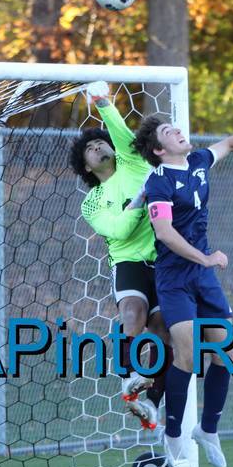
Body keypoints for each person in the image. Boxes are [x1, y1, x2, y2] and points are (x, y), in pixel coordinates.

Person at [134, 117, 233, 467]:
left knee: (227, 352)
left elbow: (232, 143)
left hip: (202, 277)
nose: (177, 131)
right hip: (175, 278)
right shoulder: (158, 182)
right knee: (186, 356)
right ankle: (173, 435)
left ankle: (207, 430)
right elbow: (165, 232)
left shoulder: (199, 161)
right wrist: (205, 257)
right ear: (159, 150)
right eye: (167, 132)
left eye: (175, 127)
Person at [70, 81, 171, 431]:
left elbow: (121, 131)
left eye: (101, 142)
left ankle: (152, 403)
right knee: (133, 312)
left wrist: (103, 103)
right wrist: (139, 202)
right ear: (85, 167)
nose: (98, 146)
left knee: (163, 331)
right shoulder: (92, 201)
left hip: (163, 258)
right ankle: (128, 378)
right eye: (90, 148)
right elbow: (119, 232)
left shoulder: (131, 162)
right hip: (127, 262)